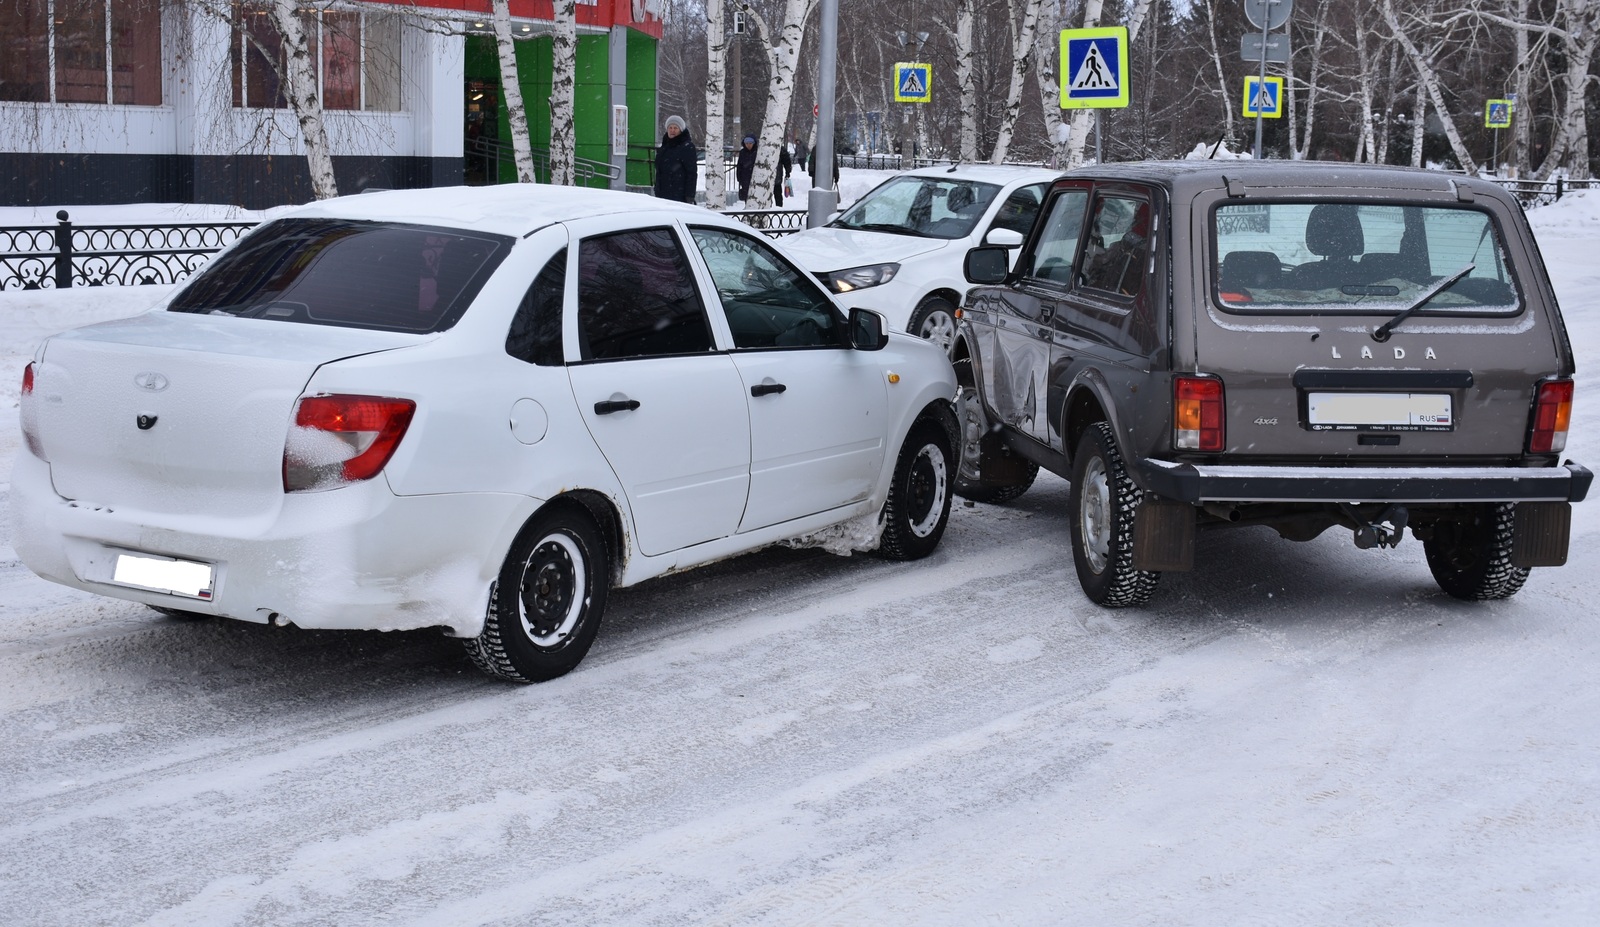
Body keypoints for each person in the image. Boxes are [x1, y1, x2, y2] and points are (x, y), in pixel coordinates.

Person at [653, 115, 698, 204]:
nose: (672, 130)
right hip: (662, 194)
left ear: (680, 130)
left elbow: (691, 173)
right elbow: (659, 170)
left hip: (679, 195)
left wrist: (689, 195)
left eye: (675, 128)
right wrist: (657, 189)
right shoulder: (664, 147)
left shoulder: (687, 147)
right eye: (670, 127)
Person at [735, 135, 756, 201]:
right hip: (745, 178)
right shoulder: (742, 152)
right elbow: (739, 166)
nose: (748, 145)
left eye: (750, 143)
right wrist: (739, 178)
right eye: (746, 143)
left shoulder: (757, 152)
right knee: (747, 196)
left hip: (756, 177)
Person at [773, 142, 793, 207]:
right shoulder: (780, 149)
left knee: (777, 193)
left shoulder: (781, 149)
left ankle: (778, 208)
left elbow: (787, 162)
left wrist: (788, 172)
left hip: (777, 176)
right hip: (775, 175)